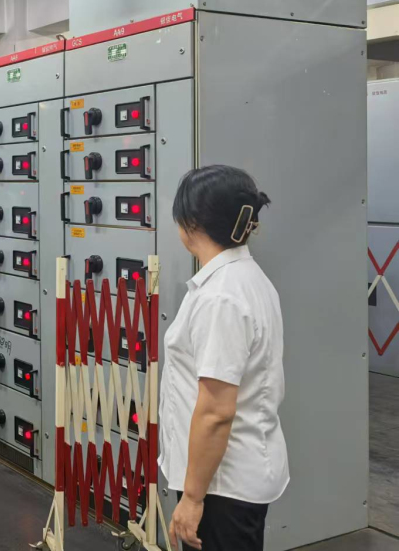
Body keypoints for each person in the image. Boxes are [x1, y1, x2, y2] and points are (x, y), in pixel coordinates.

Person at [162, 165, 289, 551]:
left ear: (191, 223)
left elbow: (216, 410)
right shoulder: (246, 278)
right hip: (230, 477)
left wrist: (192, 498)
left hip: (221, 486)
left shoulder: (221, 297)